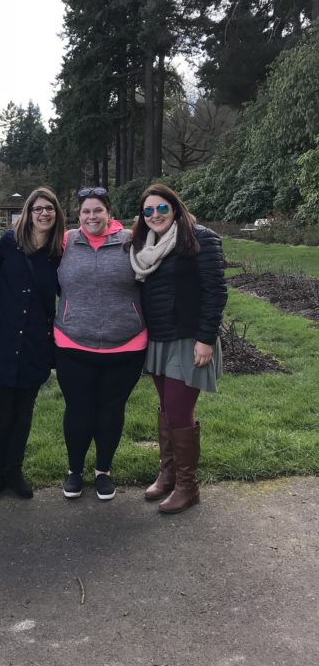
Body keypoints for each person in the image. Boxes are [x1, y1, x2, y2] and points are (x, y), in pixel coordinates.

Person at [129, 183, 227, 514]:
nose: (155, 215)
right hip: (158, 338)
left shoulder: (200, 239)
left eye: (161, 208)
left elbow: (215, 291)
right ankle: (168, 474)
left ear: (175, 208)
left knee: (179, 409)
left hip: (188, 339)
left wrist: (205, 339)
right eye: (148, 210)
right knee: (167, 408)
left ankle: (188, 486)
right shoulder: (145, 246)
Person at [54, 187, 147, 501]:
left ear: (109, 213)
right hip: (73, 343)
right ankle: (74, 471)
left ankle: (103, 471)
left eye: (98, 210)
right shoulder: (65, 242)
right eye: (86, 211)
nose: (91, 216)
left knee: (111, 410)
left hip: (126, 346)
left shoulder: (131, 241)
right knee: (78, 410)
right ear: (78, 215)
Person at [0, 187, 65, 498]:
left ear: (57, 215)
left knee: (24, 411)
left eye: (49, 209)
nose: (44, 213)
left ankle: (14, 469)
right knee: (3, 411)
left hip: (34, 342)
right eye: (38, 208)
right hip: (3, 337)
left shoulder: (58, 254)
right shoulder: (8, 243)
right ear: (28, 212)